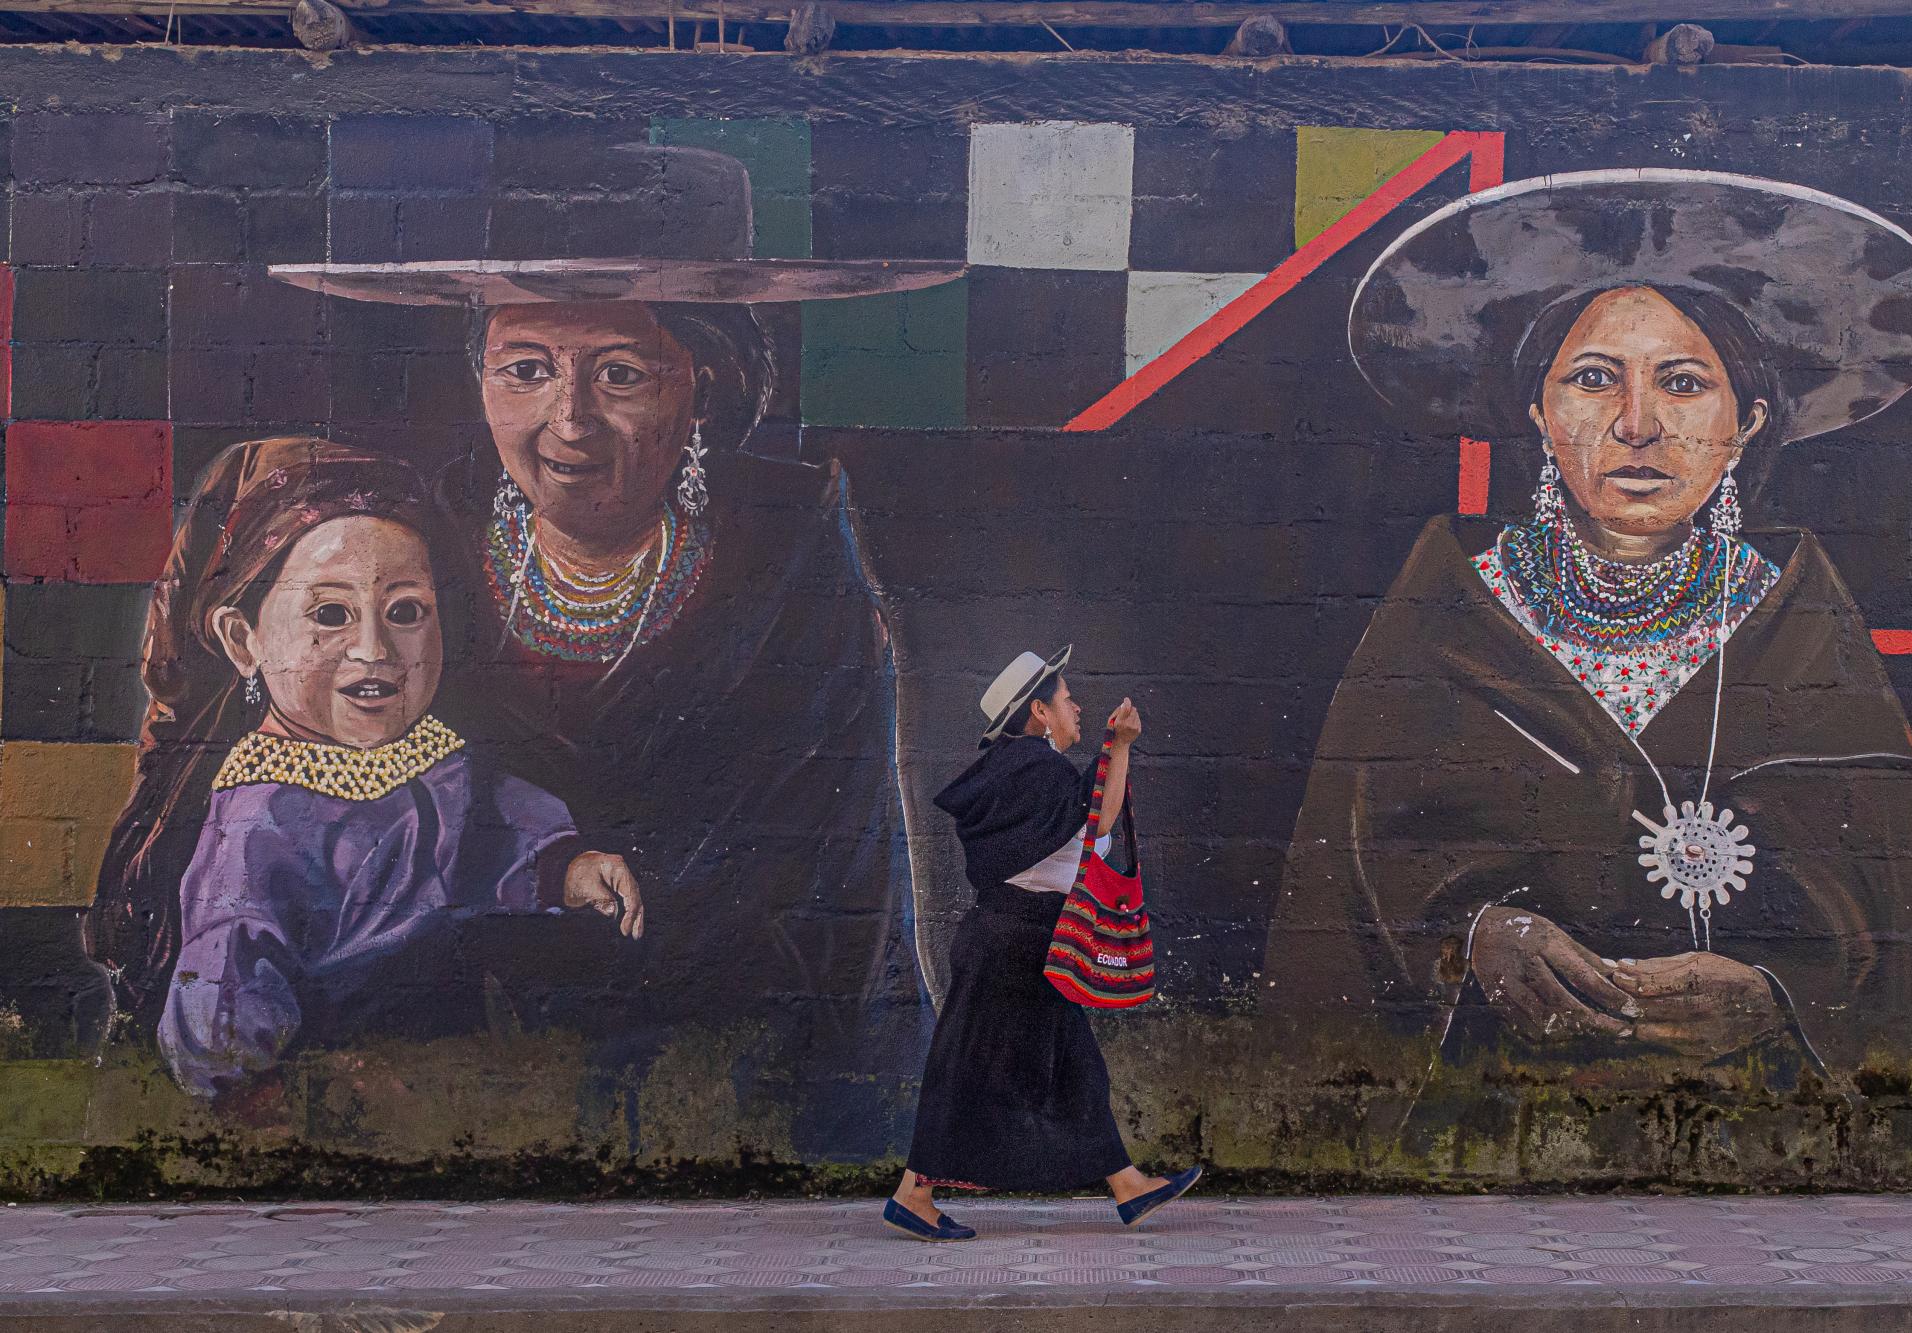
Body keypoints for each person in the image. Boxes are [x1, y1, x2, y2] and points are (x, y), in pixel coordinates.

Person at [266, 145, 964, 1159]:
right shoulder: (418, 538)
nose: (568, 422)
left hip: (745, 1069)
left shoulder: (789, 543)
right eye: (526, 369)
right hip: (467, 1071)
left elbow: (839, 891)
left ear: (705, 387)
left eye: (621, 373)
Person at [1265, 169, 1912, 1112]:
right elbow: (1349, 883)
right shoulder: (1441, 617)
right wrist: (1472, 940)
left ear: (1745, 425)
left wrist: (1778, 994)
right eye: (1594, 380)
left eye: (1684, 382)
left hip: (1755, 1129)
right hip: (1479, 1126)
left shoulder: (1802, 627)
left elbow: (1877, 915)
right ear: (1541, 417)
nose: (1637, 425)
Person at [86, 438, 640, 1101]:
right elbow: (220, 1003)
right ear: (244, 640)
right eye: (329, 615)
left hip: (453, 1062)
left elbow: (489, 841)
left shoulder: (434, 758)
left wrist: (567, 871)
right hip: (338, 1081)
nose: (374, 650)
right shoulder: (256, 826)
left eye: (405, 611)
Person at [884, 647, 1201, 1242]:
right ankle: (912, 1193)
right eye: (1066, 698)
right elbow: (1098, 827)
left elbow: (1082, 828)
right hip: (1015, 941)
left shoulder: (1017, 773)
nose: (1076, 706)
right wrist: (1122, 745)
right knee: (966, 1065)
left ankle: (1128, 1186)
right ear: (1040, 712)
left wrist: (1115, 751)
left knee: (1073, 1063)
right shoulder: (1039, 770)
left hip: (1013, 939)